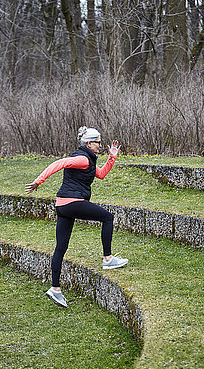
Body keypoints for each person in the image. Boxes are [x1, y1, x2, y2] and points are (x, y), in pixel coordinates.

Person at [25, 126, 128, 308]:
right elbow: (59, 163)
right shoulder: (81, 158)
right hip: (72, 202)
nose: (100, 145)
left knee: (60, 247)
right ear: (89, 143)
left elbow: (101, 174)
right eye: (98, 142)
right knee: (108, 217)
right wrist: (38, 181)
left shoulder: (88, 160)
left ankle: (55, 289)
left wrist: (112, 156)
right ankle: (108, 259)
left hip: (62, 205)